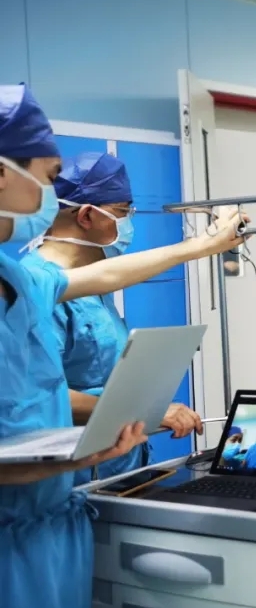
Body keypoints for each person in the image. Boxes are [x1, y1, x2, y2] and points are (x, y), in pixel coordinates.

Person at [0, 83, 247, 608]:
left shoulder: (21, 278)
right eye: (48, 176)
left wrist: (205, 245)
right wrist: (87, 442)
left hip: (53, 513)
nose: (49, 194)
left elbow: (108, 276)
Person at [23, 152, 204, 487]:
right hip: (76, 478)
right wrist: (141, 412)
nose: (128, 223)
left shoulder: (92, 283)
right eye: (123, 212)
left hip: (121, 467)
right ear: (87, 215)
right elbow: (39, 394)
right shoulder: (36, 288)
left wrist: (145, 408)